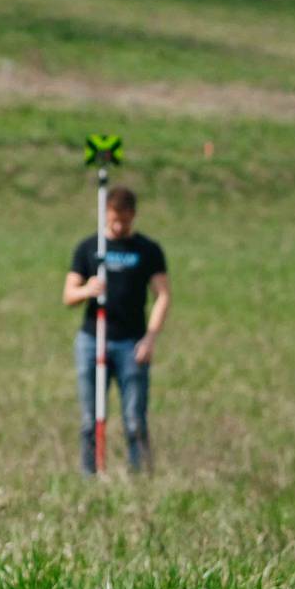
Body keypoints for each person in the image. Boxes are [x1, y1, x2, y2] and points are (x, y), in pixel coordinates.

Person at [62, 185, 170, 474]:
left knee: (134, 420)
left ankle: (140, 477)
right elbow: (68, 296)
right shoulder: (89, 249)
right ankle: (90, 477)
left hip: (131, 344)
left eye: (125, 219)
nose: (119, 225)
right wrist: (88, 290)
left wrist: (150, 338)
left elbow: (163, 295)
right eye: (113, 218)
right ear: (104, 214)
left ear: (134, 215)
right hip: (91, 342)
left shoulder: (148, 250)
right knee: (90, 419)